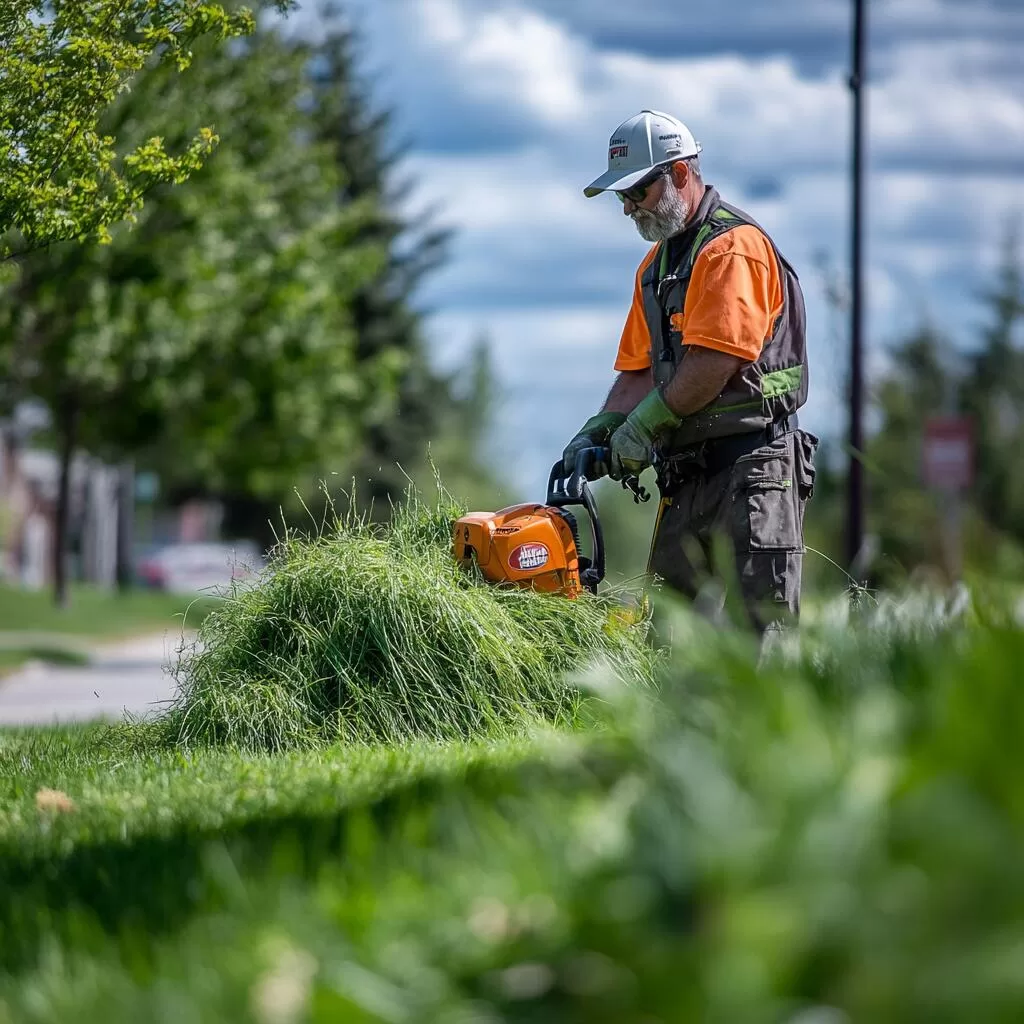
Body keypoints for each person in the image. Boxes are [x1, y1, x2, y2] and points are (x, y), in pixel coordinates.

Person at [561, 109, 817, 636]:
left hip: (755, 470)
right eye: (622, 198)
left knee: (760, 642)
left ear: (679, 174)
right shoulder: (654, 269)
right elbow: (635, 373)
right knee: (664, 642)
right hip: (690, 474)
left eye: (637, 192)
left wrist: (644, 427)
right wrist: (599, 429)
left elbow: (713, 364)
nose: (629, 208)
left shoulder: (733, 250)